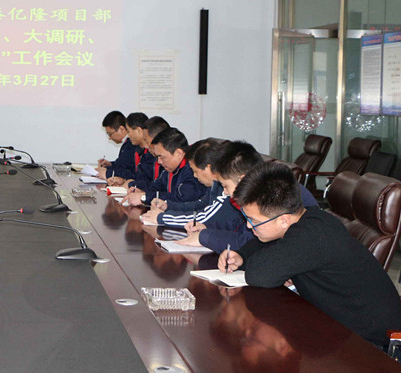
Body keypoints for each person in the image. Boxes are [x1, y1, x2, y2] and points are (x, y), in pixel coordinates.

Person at [219, 161, 401, 349]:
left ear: (284, 220)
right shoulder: (308, 218)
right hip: (339, 328)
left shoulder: (312, 235)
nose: (249, 226)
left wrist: (277, 267)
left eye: (253, 221)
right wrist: (241, 255)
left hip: (374, 345)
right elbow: (268, 242)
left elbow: (259, 274)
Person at [179, 141, 318, 252]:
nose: (225, 192)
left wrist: (205, 237)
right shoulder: (257, 190)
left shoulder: (273, 193)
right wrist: (207, 227)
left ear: (242, 180)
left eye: (225, 186)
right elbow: (238, 224)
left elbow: (251, 241)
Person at [140, 139, 226, 226]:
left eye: (195, 171)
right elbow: (200, 205)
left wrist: (162, 218)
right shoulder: (214, 186)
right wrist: (167, 206)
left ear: (208, 168)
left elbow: (205, 218)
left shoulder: (225, 191)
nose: (195, 175)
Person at [126, 127, 204, 206]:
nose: (159, 161)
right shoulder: (169, 170)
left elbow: (181, 198)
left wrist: (145, 197)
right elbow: (156, 186)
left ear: (179, 154)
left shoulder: (192, 171)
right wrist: (139, 189)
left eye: (162, 157)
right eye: (157, 157)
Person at [126, 115, 169, 193]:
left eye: (147, 141)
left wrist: (144, 196)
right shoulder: (149, 155)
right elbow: (154, 185)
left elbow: (166, 193)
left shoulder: (171, 164)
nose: (146, 146)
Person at [107, 112, 148, 187]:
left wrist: (107, 173)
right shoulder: (140, 150)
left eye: (129, 132)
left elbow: (145, 180)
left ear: (139, 130)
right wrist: (124, 181)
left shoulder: (150, 153)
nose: (128, 136)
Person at [96, 110, 138, 181]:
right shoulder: (126, 144)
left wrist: (108, 173)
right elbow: (123, 164)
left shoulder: (132, 145)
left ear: (121, 129)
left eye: (110, 134)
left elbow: (130, 172)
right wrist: (110, 164)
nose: (109, 138)